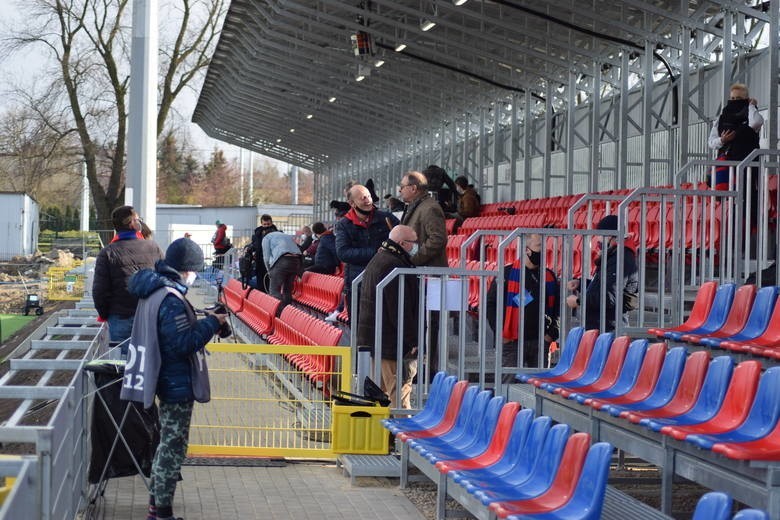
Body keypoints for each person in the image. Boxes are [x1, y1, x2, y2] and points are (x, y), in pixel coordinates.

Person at [123, 237, 226, 520]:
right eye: (194, 270)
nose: (195, 276)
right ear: (185, 270)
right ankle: (162, 513)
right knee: (172, 448)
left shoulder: (157, 291)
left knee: (166, 444)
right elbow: (182, 343)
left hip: (164, 379)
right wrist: (211, 323)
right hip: (175, 383)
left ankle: (157, 509)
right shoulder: (171, 298)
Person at [356, 225, 419, 409]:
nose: (416, 246)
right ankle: (401, 433)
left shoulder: (380, 258)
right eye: (414, 243)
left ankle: (384, 434)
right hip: (391, 340)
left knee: (383, 390)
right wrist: (412, 339)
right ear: (402, 243)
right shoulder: (395, 265)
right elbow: (399, 308)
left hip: (377, 338)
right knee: (399, 389)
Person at [485, 234, 560, 377]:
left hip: (540, 341)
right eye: (538, 247)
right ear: (527, 250)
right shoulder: (506, 274)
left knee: (538, 387)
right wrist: (501, 332)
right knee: (507, 383)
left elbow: (558, 309)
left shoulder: (549, 276)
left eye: (544, 247)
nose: (542, 251)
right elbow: (491, 305)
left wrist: (550, 335)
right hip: (512, 341)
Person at [93, 205, 164, 351]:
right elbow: (165, 278)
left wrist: (105, 314)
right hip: (150, 313)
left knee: (123, 363)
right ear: (132, 223)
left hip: (120, 316)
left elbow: (100, 291)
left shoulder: (107, 253)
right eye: (138, 219)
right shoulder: (153, 247)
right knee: (151, 359)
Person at [399, 171, 448, 376]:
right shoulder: (416, 206)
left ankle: (430, 371)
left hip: (428, 275)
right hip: (419, 276)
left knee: (429, 324)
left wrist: (413, 260)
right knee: (419, 322)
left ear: (413, 188)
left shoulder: (430, 208)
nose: (399, 190)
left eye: (402, 186)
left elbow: (438, 239)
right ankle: (419, 367)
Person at [330, 184, 398, 322]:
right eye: (362, 198)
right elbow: (343, 253)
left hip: (387, 280)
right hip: (358, 283)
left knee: (387, 326)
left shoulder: (387, 218)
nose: (367, 200)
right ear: (352, 203)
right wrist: (375, 252)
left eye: (369, 196)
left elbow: (402, 240)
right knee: (360, 327)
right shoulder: (344, 224)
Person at [565, 215, 639, 332]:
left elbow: (609, 297)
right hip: (602, 327)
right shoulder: (614, 256)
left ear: (611, 236)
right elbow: (603, 286)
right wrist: (581, 283)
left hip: (609, 330)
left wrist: (578, 301)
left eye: (601, 235)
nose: (598, 240)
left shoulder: (620, 258)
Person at [707, 83, 764, 230]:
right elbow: (712, 142)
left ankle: (747, 232)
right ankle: (731, 230)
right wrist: (722, 140)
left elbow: (756, 123)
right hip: (727, 165)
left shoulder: (752, 113)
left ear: (747, 98)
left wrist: (751, 106)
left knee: (747, 199)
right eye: (732, 98)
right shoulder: (722, 117)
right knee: (730, 199)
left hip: (747, 166)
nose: (735, 100)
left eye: (739, 98)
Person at [262, 230, 303, 309]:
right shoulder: (286, 236)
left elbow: (266, 258)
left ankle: (278, 314)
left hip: (283, 260)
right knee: (287, 290)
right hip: (296, 261)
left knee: (274, 290)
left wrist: (269, 270)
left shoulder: (266, 238)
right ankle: (287, 313)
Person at [252, 214, 278, 292]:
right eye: (264, 224)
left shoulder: (276, 233)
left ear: (271, 223)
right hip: (259, 260)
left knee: (269, 281)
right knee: (260, 281)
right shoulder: (257, 232)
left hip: (271, 260)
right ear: (261, 223)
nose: (266, 226)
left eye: (268, 224)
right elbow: (255, 243)